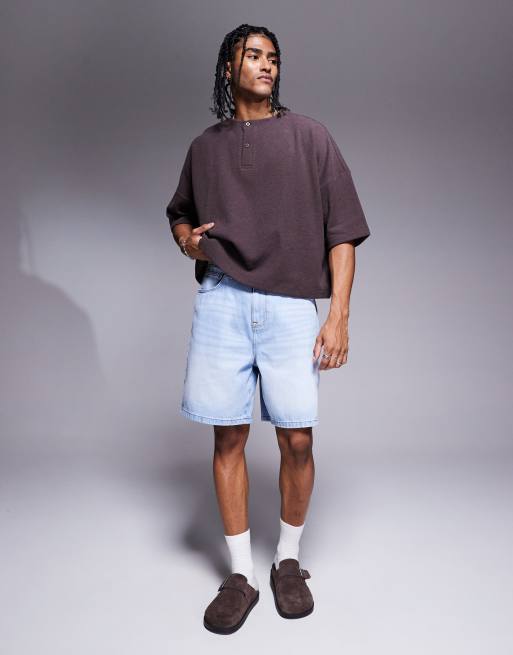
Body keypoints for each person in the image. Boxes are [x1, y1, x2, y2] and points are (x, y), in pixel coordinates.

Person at [166, 23, 370, 634]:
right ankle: (240, 575)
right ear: (228, 67)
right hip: (223, 300)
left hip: (289, 306)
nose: (265, 65)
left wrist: (338, 314)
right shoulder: (204, 148)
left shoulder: (311, 137)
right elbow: (180, 213)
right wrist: (187, 240)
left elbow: (343, 230)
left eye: (273, 58)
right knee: (227, 437)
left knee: (297, 440)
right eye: (252, 55)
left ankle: (287, 561)